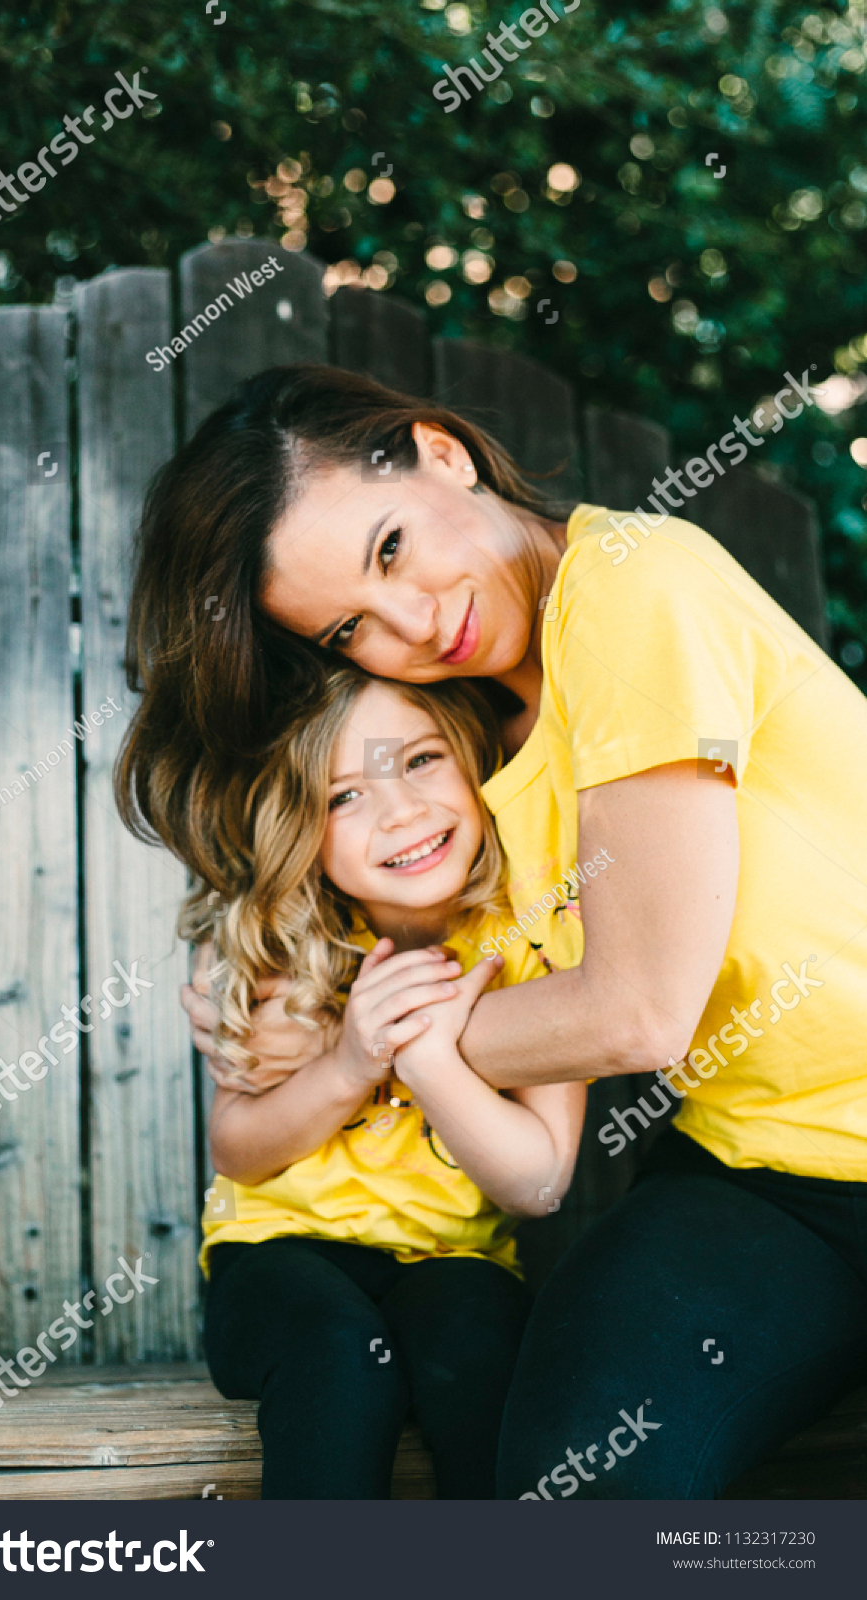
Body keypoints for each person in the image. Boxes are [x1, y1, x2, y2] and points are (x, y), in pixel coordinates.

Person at [118, 363, 867, 1499]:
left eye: (389, 548)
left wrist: (365, 1055)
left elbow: (637, 1007)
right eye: (352, 625)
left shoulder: (628, 587)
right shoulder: (469, 732)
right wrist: (298, 1021)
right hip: (761, 1169)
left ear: (439, 451)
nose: (415, 621)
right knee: (573, 1493)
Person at [183, 664, 585, 1498]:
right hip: (278, 1257)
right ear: (297, 831)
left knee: (485, 1365)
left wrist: (428, 1060)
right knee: (338, 1355)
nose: (400, 811)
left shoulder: (535, 938)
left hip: (453, 1261)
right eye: (341, 797)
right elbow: (238, 1151)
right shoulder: (278, 942)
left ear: (473, 762)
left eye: (419, 760)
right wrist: (350, 1062)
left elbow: (536, 1180)